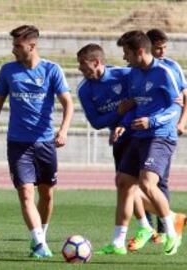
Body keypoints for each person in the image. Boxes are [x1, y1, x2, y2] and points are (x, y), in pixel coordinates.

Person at [0, 25, 74, 258]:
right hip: (18, 144)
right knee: (25, 193)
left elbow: (68, 103)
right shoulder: (8, 71)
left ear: (32, 46)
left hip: (45, 143)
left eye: (17, 46)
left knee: (47, 194)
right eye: (13, 45)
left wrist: (64, 130)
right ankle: (39, 243)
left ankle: (42, 235)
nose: (13, 50)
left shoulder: (52, 70)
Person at [77, 43, 186, 253]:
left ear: (96, 62)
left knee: (149, 184)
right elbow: (97, 122)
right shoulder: (84, 88)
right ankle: (136, 232)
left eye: (83, 65)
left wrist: (180, 100)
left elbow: (146, 95)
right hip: (122, 135)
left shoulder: (125, 74)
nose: (80, 70)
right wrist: (118, 115)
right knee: (125, 184)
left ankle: (163, 226)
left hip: (146, 132)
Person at [130, 28, 187, 245]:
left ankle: (163, 229)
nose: (162, 52)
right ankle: (150, 226)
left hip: (163, 132)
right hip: (140, 132)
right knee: (135, 180)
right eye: (158, 48)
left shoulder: (171, 68)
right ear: (148, 48)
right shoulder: (137, 69)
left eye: (164, 47)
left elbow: (182, 98)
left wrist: (181, 122)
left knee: (156, 180)